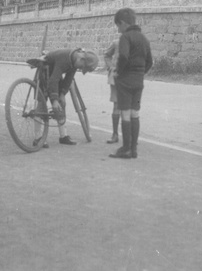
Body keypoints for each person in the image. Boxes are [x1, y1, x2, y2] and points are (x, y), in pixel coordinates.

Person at [109, 8, 153, 159]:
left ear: (122, 23)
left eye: (118, 26)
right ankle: (133, 149)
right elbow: (150, 62)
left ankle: (125, 148)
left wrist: (119, 72)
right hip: (138, 80)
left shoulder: (125, 37)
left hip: (125, 80)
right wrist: (140, 73)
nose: (118, 30)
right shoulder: (144, 38)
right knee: (135, 113)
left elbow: (124, 57)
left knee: (125, 113)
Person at [34, 48, 99, 147]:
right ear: (81, 59)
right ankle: (37, 138)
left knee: (62, 104)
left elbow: (68, 79)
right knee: (41, 105)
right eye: (82, 67)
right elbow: (53, 80)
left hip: (55, 75)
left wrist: (62, 94)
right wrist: (54, 100)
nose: (81, 69)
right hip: (44, 72)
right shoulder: (64, 58)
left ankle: (63, 136)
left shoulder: (74, 61)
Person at [103, 39, 120, 144]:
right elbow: (106, 55)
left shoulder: (135, 43)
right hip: (116, 77)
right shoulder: (116, 43)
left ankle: (131, 135)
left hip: (129, 78)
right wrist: (110, 67)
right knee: (116, 106)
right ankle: (115, 134)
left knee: (130, 107)